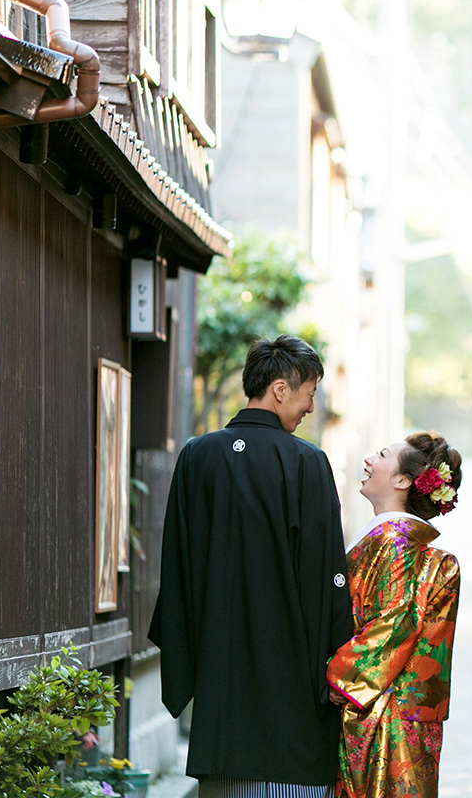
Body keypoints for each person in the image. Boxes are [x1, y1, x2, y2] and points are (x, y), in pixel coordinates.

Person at [149, 334, 353, 797]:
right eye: (309, 394)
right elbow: (326, 578)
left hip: (220, 690)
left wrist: (190, 660)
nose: (309, 408)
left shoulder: (197, 456)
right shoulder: (307, 462)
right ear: (281, 389)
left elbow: (177, 567)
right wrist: (338, 667)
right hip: (292, 691)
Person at [326, 432, 462, 798]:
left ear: (402, 480)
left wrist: (342, 678)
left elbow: (393, 623)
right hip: (392, 710)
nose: (369, 459)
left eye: (382, 454)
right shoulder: (393, 539)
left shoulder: (395, 542)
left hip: (385, 715)